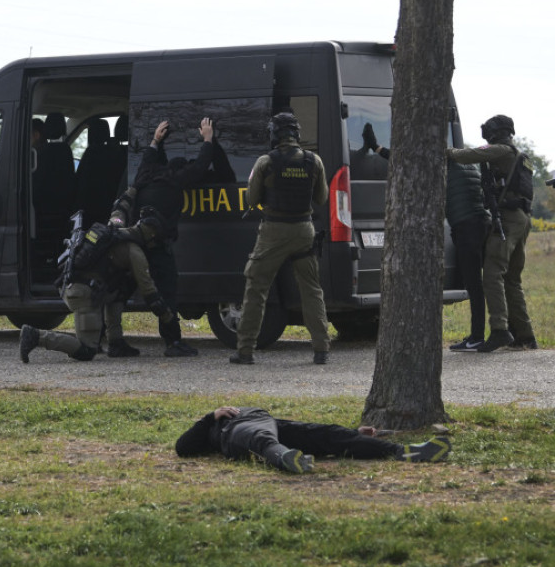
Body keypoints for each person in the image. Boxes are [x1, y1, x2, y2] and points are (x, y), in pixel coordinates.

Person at [362, 123, 490, 351]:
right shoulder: (465, 160)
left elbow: (404, 163)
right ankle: (484, 333)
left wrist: (377, 148)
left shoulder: (438, 161)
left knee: (474, 284)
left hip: (466, 229)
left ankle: (477, 336)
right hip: (481, 225)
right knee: (480, 283)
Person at [230, 112, 330, 365]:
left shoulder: (266, 162)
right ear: (296, 133)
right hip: (304, 231)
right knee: (311, 291)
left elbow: (251, 201)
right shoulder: (313, 161)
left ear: (275, 134)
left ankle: (245, 351)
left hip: (274, 231)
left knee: (256, 289)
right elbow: (321, 199)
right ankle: (321, 350)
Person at [19, 207, 181, 362]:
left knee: (118, 290)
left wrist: (131, 191)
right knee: (86, 350)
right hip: (82, 294)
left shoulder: (116, 227)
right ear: (152, 235)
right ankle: (36, 336)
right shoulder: (135, 252)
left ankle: (115, 343)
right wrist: (169, 318)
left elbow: (118, 210)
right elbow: (150, 293)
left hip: (75, 285)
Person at [133, 116, 233, 357]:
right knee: (167, 291)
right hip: (158, 245)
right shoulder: (176, 179)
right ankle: (173, 343)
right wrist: (208, 140)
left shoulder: (145, 176)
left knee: (123, 287)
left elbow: (148, 159)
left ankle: (112, 339)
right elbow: (200, 167)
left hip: (136, 243)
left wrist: (156, 141)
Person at [446, 115, 535, 352]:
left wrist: (443, 149)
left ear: (495, 133)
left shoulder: (500, 151)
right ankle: (525, 335)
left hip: (507, 219)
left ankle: (499, 330)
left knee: (492, 275)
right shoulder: (518, 155)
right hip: (523, 219)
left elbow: (464, 156)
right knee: (512, 280)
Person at [174, 406, 451, 474]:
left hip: (272, 421)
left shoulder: (253, 414)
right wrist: (212, 416)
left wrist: (353, 432)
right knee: (262, 439)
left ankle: (404, 452)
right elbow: (182, 447)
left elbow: (303, 429)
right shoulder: (216, 428)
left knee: (328, 434)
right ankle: (287, 459)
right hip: (240, 431)